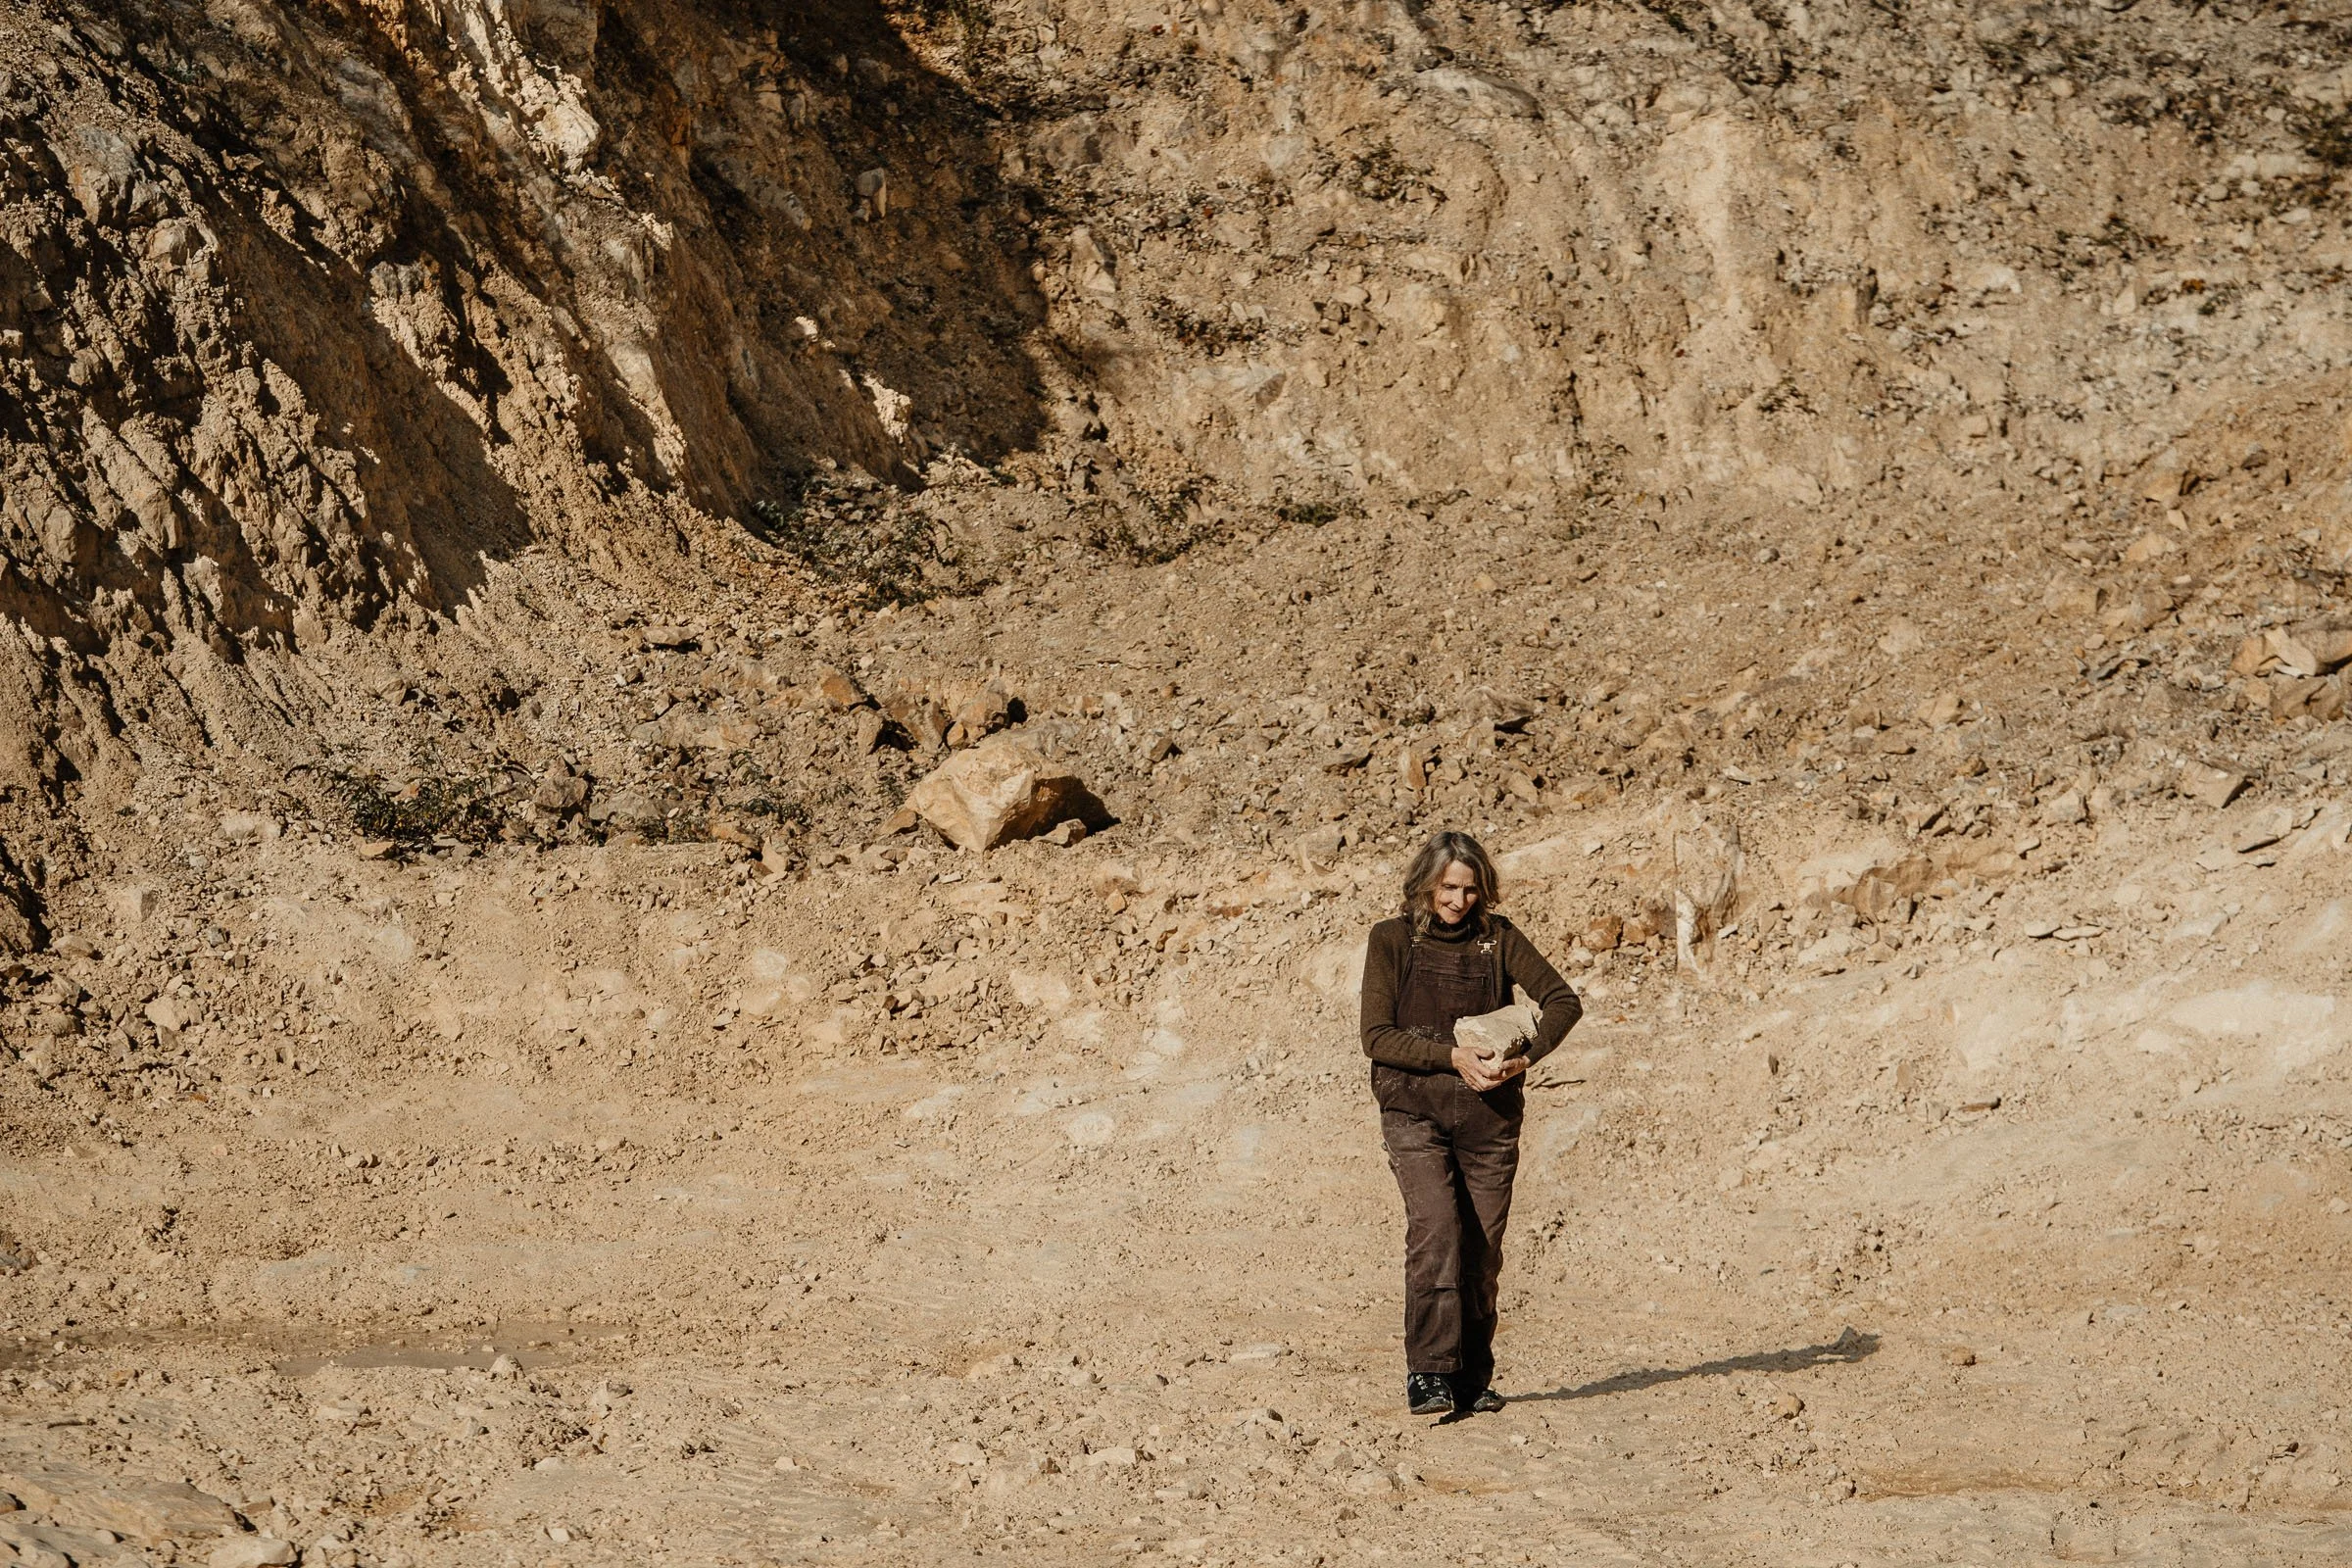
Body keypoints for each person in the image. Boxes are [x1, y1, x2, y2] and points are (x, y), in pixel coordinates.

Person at [1358, 829, 1581, 1416]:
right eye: (1448, 888)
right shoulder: (1391, 940)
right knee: (1436, 1229)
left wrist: (1523, 1058)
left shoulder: (1500, 940)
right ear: (1426, 884)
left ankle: (1470, 1378)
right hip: (1413, 1108)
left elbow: (1563, 1001)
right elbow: (1375, 1037)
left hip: (1490, 1118)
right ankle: (1428, 1372)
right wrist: (1450, 1057)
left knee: (1482, 1249)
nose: (1459, 901)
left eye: (1471, 890)